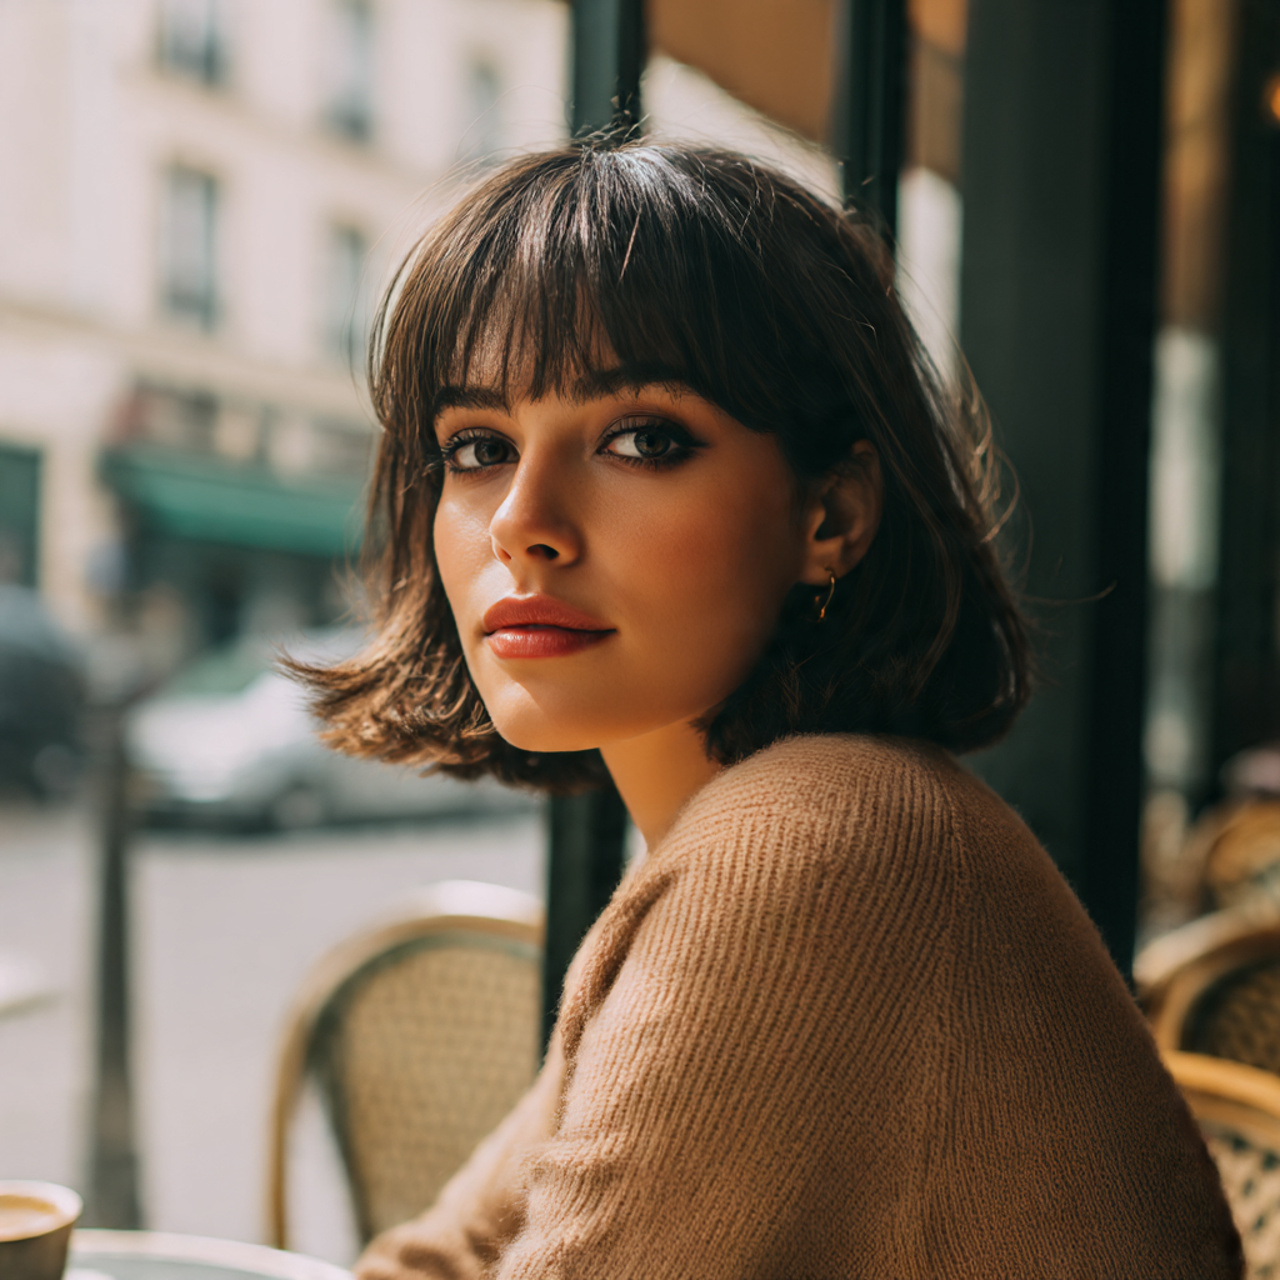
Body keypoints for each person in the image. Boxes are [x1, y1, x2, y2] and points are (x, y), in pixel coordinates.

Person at [300, 142, 1242, 1278]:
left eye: (641, 437)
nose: (520, 519)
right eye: (477, 447)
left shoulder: (814, 845)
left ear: (831, 516)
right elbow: (444, 1254)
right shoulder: (748, 828)